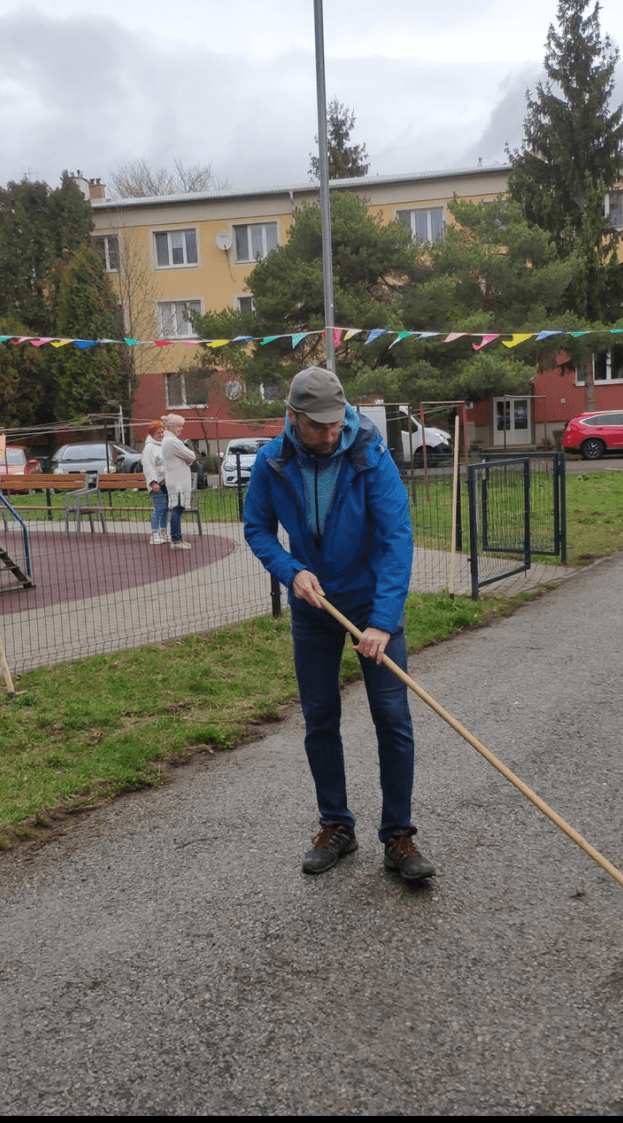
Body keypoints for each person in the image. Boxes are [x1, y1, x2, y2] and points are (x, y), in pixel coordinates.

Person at [243, 365, 434, 880]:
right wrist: (291, 570)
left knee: (392, 718)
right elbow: (256, 528)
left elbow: (398, 540)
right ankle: (336, 825)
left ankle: (399, 835)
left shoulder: (370, 455)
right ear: (292, 418)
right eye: (318, 426)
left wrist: (383, 621)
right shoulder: (272, 462)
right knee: (320, 718)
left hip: (373, 608)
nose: (330, 434)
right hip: (314, 610)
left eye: (335, 423)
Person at [160, 414, 196, 551]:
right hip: (178, 481)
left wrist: (187, 458)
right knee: (177, 508)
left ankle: (178, 538)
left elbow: (188, 457)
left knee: (177, 508)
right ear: (173, 426)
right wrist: (188, 459)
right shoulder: (173, 442)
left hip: (175, 479)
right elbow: (191, 456)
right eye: (180, 426)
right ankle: (176, 539)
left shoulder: (168, 440)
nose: (181, 429)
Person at [141, 420, 169, 545]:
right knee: (159, 507)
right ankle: (154, 534)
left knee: (165, 508)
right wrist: (153, 482)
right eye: (158, 432)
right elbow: (149, 467)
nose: (161, 434)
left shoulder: (163, 445)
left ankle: (163, 532)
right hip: (157, 483)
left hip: (166, 482)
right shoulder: (149, 448)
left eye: (162, 432)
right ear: (152, 434)